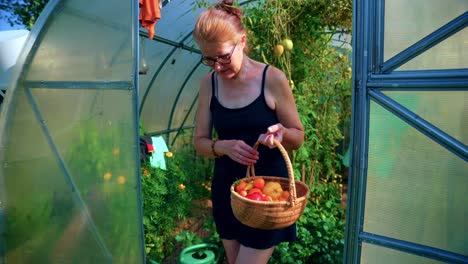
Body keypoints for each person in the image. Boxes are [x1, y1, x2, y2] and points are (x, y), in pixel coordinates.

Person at [192, 1, 304, 263]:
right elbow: (199, 141)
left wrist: (282, 133)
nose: (217, 67)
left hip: (268, 197)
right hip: (227, 193)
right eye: (209, 59)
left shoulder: (272, 79)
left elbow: (298, 136)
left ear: (241, 41)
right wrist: (222, 146)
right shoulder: (209, 84)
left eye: (223, 57)